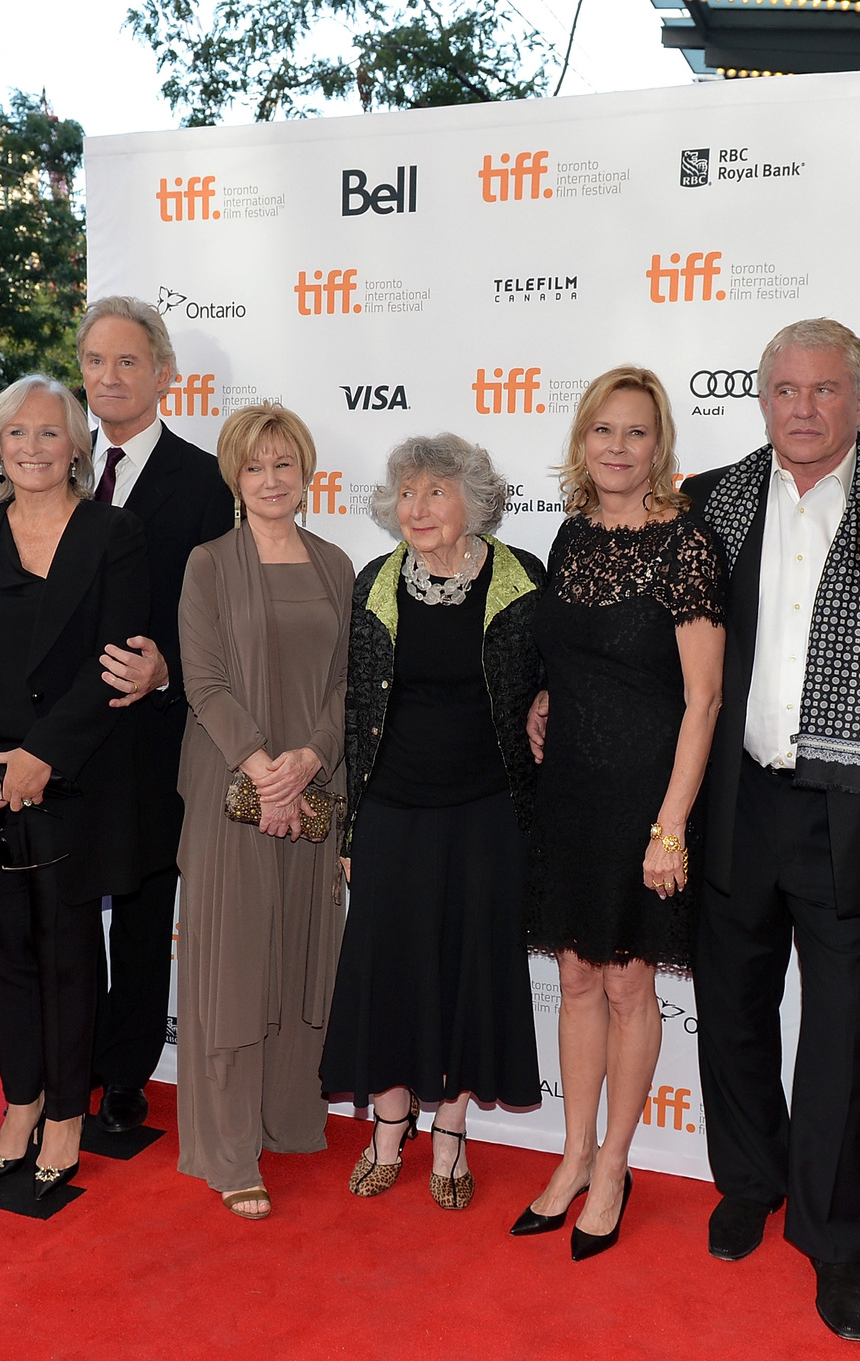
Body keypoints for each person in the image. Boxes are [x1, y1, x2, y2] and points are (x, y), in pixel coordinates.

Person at [682, 319, 860, 1341]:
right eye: (783, 389)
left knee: (843, 1031)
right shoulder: (703, 500)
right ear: (760, 397)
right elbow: (665, 660)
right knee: (732, 1009)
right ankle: (749, 1181)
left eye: (824, 389)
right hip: (731, 803)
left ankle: (835, 1238)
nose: (802, 408)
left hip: (854, 809)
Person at [515, 367, 725, 1260]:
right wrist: (543, 697)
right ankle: (571, 1154)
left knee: (632, 983)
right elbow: (570, 654)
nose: (616, 446)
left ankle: (615, 1165)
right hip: (567, 791)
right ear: (582, 439)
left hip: (647, 796)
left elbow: (704, 698)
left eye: (636, 432)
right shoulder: (570, 536)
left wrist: (671, 824)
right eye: (603, 429)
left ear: (659, 446)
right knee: (574, 979)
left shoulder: (686, 543)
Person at [0, 375, 149, 1198]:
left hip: (74, 779)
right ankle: (17, 1103)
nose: (31, 447)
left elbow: (119, 657)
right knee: (5, 954)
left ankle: (65, 1113)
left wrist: (44, 754)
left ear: (76, 447)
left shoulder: (114, 533)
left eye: (49, 433)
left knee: (66, 954)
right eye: (15, 434)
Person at [322, 434, 546, 1211]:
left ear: (472, 503)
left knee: (471, 972)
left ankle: (449, 1133)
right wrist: (351, 829)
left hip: (489, 817)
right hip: (391, 813)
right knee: (387, 971)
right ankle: (389, 1127)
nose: (417, 508)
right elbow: (356, 714)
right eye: (407, 493)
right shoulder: (374, 584)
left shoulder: (522, 581)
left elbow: (550, 693)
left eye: (436, 492)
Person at [174, 403, 352, 1221]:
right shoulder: (208, 563)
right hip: (229, 793)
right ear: (234, 478)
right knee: (236, 967)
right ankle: (228, 1148)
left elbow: (350, 685)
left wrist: (308, 763)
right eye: (256, 466)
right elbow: (204, 682)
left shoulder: (336, 565)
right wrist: (263, 769)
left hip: (314, 791)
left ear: (306, 472)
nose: (272, 479)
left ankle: (287, 1118)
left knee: (301, 954)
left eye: (285, 464)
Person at [77, 296, 235, 1136]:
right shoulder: (48, 463)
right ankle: (66, 1058)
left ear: (165, 375)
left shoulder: (208, 481)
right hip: (59, 734)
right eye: (96, 360)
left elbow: (223, 606)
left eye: (128, 361)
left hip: (156, 733)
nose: (109, 376)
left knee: (141, 906)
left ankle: (128, 1069)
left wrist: (169, 664)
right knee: (62, 906)